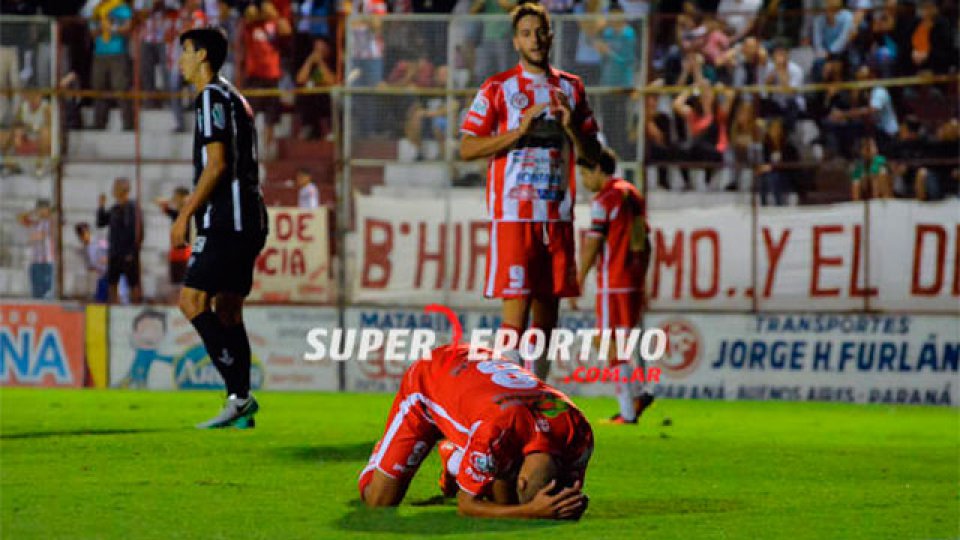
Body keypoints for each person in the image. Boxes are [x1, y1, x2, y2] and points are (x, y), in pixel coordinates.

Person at [459, 3, 601, 380]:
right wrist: (518, 132)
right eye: (526, 33)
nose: (535, 40)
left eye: (540, 32)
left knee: (548, 319)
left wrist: (572, 131)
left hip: (556, 215)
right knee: (515, 316)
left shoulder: (572, 87)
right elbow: (468, 147)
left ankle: (537, 395)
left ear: (551, 35)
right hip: (514, 214)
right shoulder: (498, 87)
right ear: (515, 41)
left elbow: (592, 156)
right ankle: (506, 397)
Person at [359, 343, 592, 520]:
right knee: (378, 500)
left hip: (481, 374)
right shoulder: (496, 431)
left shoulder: (579, 429)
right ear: (520, 480)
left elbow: (569, 491)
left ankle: (455, 457)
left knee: (503, 499)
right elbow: (466, 504)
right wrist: (530, 510)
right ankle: (384, 453)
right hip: (427, 382)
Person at [172, 27, 268, 429]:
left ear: (203, 55)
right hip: (250, 216)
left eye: (185, 52)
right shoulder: (236, 97)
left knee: (192, 302)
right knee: (228, 309)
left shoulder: (211, 95)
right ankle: (240, 403)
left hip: (229, 218)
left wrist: (184, 214)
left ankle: (239, 396)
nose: (180, 60)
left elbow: (217, 164)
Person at [573, 148, 654, 424]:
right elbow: (645, 240)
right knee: (612, 342)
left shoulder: (604, 199)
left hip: (613, 281)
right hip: (632, 281)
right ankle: (639, 394)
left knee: (610, 344)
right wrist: (642, 278)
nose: (584, 181)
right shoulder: (632, 193)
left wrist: (578, 279)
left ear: (597, 169)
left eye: (585, 173)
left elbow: (593, 243)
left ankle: (628, 412)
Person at [97, 177, 143, 304]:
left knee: (133, 283)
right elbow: (101, 222)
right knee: (112, 283)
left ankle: (135, 307)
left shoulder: (132, 208)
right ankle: (114, 308)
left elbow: (136, 233)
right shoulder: (114, 209)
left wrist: (132, 252)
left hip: (128, 254)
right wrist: (101, 206)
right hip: (115, 253)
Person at [156, 187, 192, 302]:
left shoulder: (189, 211)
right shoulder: (175, 213)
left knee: (185, 282)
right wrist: (173, 200)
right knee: (175, 283)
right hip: (175, 251)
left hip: (186, 251)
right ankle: (177, 303)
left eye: (177, 197)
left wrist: (182, 200)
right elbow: (160, 203)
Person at [17, 199, 55, 299]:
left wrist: (34, 237)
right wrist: (32, 211)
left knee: (47, 292)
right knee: (36, 292)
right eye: (40, 208)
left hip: (47, 262)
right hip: (35, 262)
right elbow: (20, 218)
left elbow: (43, 234)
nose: (42, 211)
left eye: (44, 208)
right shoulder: (35, 223)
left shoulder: (50, 222)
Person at [75, 222, 109, 302]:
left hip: (107, 274)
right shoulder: (86, 247)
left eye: (85, 233)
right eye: (81, 235)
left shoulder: (99, 241)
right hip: (100, 276)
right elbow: (91, 265)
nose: (84, 236)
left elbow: (110, 249)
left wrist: (108, 258)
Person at [850, 136, 891, 201]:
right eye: (866, 148)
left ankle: (882, 201)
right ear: (861, 151)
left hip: (879, 191)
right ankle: (857, 206)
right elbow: (855, 184)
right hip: (865, 193)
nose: (870, 150)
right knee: (856, 182)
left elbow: (885, 177)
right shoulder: (858, 166)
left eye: (872, 147)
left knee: (881, 172)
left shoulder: (881, 160)